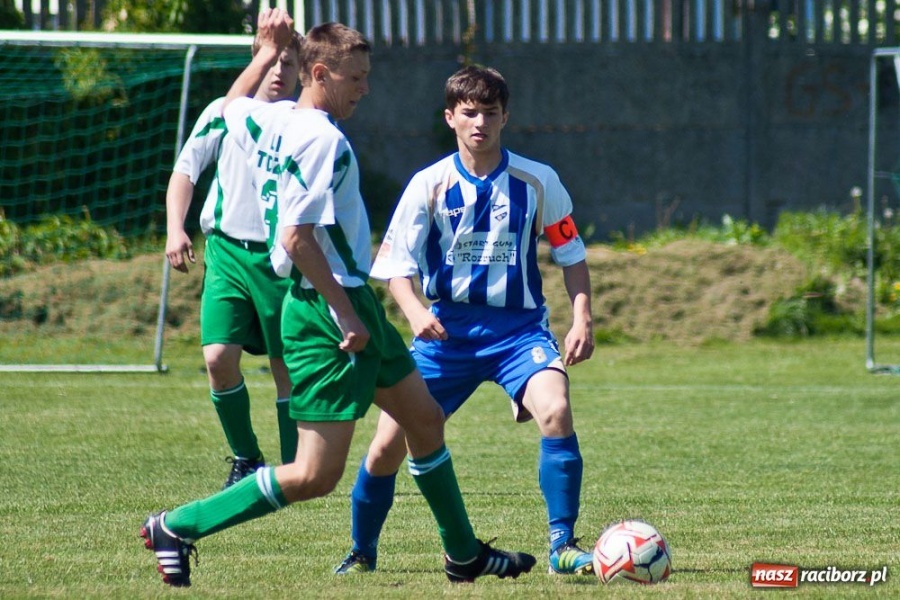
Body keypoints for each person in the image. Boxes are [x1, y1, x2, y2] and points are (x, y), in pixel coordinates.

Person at [140, 10, 536, 587]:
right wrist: (346, 312)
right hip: (326, 314)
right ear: (320, 73)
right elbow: (295, 238)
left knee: (424, 420)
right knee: (313, 474)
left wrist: (262, 54)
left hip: (353, 304)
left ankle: (463, 554)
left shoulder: (266, 118)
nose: (366, 88)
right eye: (356, 78)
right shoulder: (323, 140)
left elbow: (226, 109)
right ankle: (176, 525)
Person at [333, 65, 596, 577]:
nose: (480, 123)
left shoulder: (538, 180)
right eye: (469, 113)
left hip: (518, 333)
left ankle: (562, 546)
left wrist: (582, 316)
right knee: (387, 444)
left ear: (505, 117)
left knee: (556, 410)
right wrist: (414, 313)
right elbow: (396, 270)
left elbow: (571, 252)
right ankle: (362, 550)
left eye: (490, 113)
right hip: (444, 335)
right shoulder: (427, 185)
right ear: (450, 117)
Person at [164, 29, 302, 488]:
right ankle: (246, 457)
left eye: (290, 62)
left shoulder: (301, 120)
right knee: (218, 357)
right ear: (256, 60)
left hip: (280, 259)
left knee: (287, 367)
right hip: (225, 252)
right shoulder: (224, 112)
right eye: (272, 60)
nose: (280, 71)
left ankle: (295, 467)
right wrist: (175, 227)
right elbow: (186, 170)